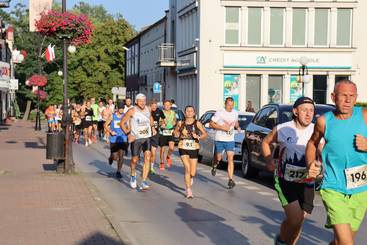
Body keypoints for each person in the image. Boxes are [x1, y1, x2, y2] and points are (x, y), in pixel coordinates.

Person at [307, 80, 367, 245]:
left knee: (341, 241)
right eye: (343, 96)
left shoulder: (365, 116)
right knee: (347, 242)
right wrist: (311, 163)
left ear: (356, 98)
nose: (348, 100)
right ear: (333, 97)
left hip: (361, 189)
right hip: (333, 187)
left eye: (351, 96)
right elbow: (312, 143)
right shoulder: (324, 121)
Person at [262, 97, 317, 245]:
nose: (308, 114)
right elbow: (266, 142)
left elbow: (324, 151)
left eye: (311, 110)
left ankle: (282, 240)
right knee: (295, 218)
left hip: (307, 183)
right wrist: (269, 160)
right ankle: (283, 241)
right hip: (285, 180)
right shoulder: (283, 129)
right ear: (295, 111)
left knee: (298, 221)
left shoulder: (317, 130)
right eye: (304, 110)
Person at [120, 93, 155, 190]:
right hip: (136, 139)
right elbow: (122, 123)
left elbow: (150, 118)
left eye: (144, 100)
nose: (143, 103)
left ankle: (143, 181)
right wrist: (128, 134)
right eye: (140, 101)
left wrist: (153, 127)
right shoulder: (132, 111)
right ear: (136, 102)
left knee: (148, 157)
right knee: (134, 160)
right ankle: (132, 175)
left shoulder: (148, 109)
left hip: (147, 137)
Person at [174, 105, 207, 198]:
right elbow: (175, 132)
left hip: (194, 147)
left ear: (194, 113)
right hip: (183, 146)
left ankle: (191, 177)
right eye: (187, 111)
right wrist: (179, 133)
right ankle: (188, 190)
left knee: (193, 172)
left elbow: (205, 134)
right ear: (185, 113)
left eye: (191, 111)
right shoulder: (180, 123)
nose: (189, 112)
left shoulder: (198, 123)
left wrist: (199, 137)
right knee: (187, 169)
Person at [210, 97, 240, 189]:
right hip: (220, 139)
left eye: (232, 105)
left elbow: (235, 122)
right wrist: (223, 128)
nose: (230, 107)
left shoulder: (235, 112)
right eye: (228, 105)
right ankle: (215, 165)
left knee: (230, 158)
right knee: (218, 158)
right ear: (225, 104)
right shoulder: (220, 112)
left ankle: (230, 180)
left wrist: (238, 127)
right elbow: (211, 124)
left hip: (230, 139)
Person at [104, 101, 128, 179]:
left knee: (121, 156)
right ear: (117, 108)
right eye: (120, 108)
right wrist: (111, 131)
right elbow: (105, 125)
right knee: (115, 157)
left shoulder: (125, 116)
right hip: (114, 138)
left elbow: (128, 126)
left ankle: (118, 171)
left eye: (122, 108)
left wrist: (128, 131)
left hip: (123, 138)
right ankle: (111, 157)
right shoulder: (112, 116)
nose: (121, 110)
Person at [159, 100, 177, 170]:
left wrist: (174, 123)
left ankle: (168, 156)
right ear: (163, 106)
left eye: (168, 105)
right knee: (162, 149)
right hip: (163, 131)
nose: (167, 106)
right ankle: (162, 162)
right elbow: (159, 121)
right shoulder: (161, 112)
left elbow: (175, 120)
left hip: (170, 131)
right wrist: (161, 124)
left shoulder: (173, 112)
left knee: (172, 148)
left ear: (170, 106)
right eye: (165, 105)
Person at [149, 99, 165, 174]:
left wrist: (162, 123)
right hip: (147, 133)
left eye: (155, 106)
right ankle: (147, 164)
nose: (154, 107)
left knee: (153, 152)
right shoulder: (147, 111)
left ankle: (151, 168)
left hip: (155, 133)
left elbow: (163, 119)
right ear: (150, 106)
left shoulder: (159, 111)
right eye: (152, 106)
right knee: (147, 152)